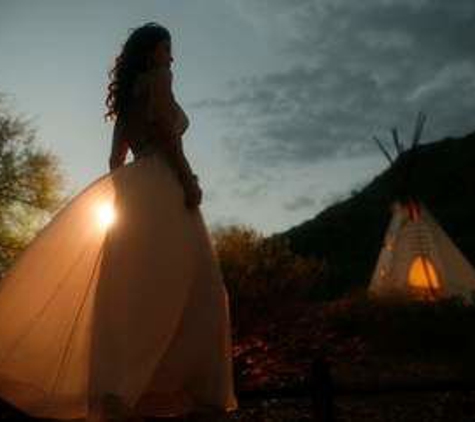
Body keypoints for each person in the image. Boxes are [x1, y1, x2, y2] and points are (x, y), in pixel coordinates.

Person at [0, 22, 238, 421]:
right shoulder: (160, 79)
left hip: (136, 194)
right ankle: (198, 394)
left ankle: (121, 392)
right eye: (166, 48)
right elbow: (169, 137)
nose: (171, 56)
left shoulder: (128, 99)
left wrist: (132, 194)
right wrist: (187, 180)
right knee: (199, 288)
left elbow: (115, 161)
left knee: (138, 292)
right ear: (152, 53)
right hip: (166, 187)